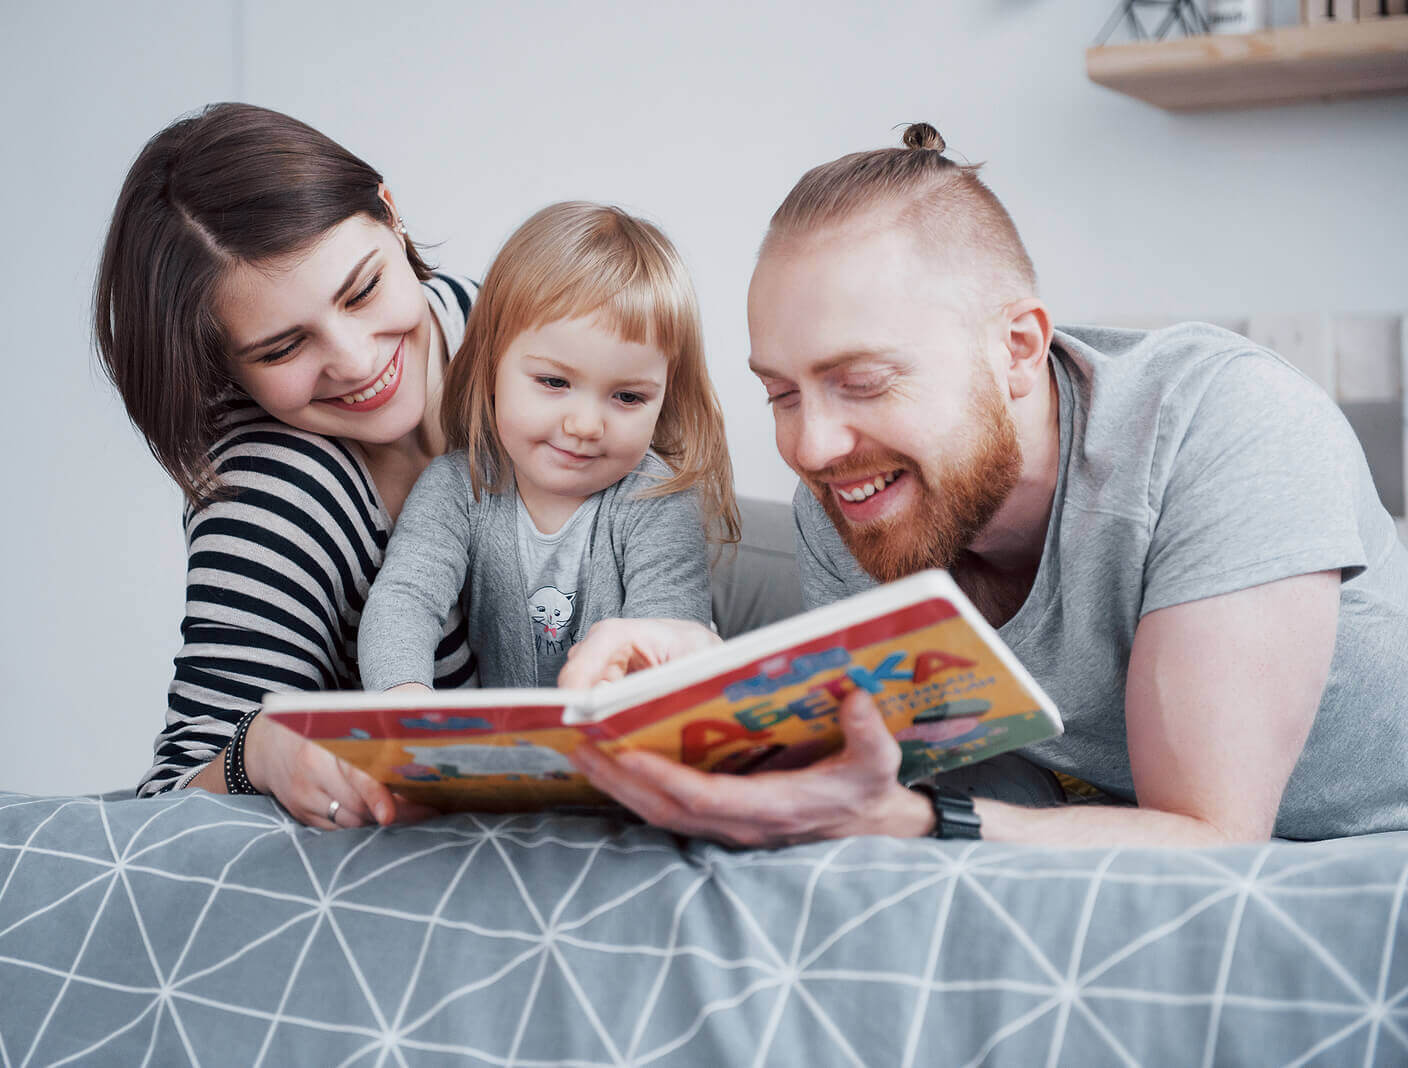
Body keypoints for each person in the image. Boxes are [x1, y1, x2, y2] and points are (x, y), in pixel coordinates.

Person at [563, 122, 1408, 847]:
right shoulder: (849, 504)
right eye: (781, 394)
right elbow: (928, 779)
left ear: (1016, 348)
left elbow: (1210, 837)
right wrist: (724, 701)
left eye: (861, 381)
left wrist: (921, 824)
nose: (812, 447)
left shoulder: (1224, 422)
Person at [95, 102, 480, 828]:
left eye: (362, 289)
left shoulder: (510, 326)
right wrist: (262, 753)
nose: (358, 360)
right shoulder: (276, 489)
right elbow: (166, 805)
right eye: (281, 348)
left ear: (390, 216)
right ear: (225, 369)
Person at [358, 202, 739, 691]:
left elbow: (664, 637)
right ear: (492, 364)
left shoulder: (657, 499)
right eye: (555, 382)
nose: (585, 425)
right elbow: (405, 600)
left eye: (627, 396)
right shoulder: (458, 486)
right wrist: (403, 701)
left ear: (664, 396)